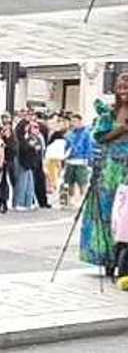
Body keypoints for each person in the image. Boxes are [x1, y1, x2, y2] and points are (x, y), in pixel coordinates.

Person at [81, 73, 128, 278]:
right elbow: (99, 137)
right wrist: (122, 130)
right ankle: (107, 259)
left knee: (124, 216)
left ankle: (123, 260)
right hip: (110, 169)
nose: (123, 91)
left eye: (127, 88)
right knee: (107, 212)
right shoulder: (109, 111)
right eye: (121, 88)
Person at [65, 113, 97, 208]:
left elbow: (88, 147)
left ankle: (84, 200)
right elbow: (66, 146)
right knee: (69, 181)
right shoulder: (70, 133)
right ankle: (71, 200)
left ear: (80, 121)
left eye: (74, 121)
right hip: (70, 160)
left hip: (81, 160)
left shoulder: (86, 133)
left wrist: (88, 159)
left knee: (82, 181)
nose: (73, 123)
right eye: (72, 121)